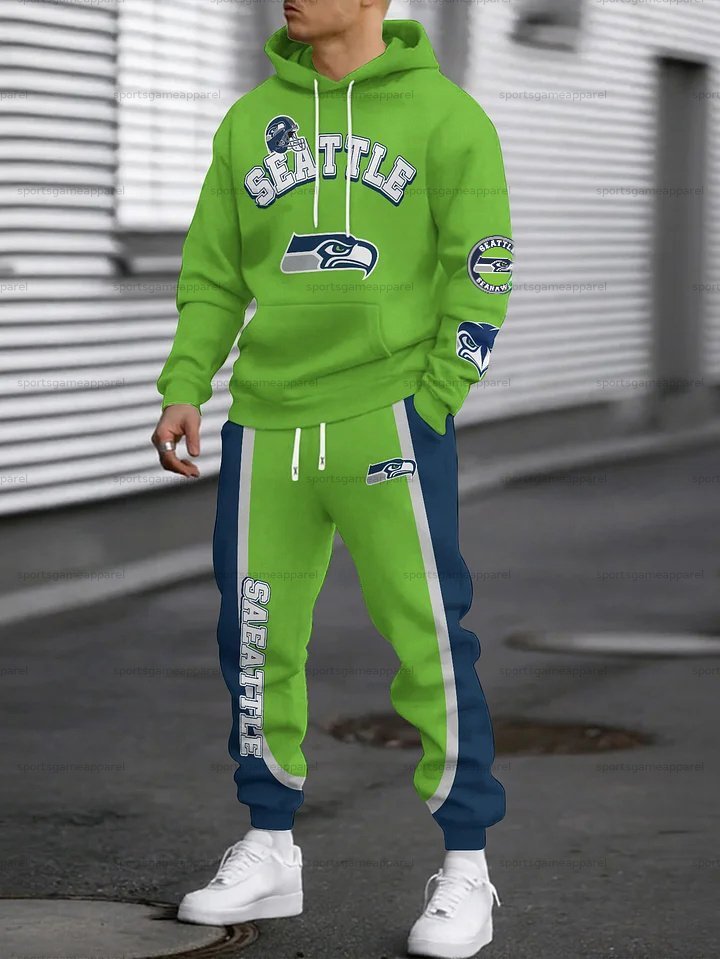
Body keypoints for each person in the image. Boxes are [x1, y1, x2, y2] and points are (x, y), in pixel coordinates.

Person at [152, 1, 512, 955]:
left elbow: (483, 267)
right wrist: (185, 385)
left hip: (389, 415)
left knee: (430, 638)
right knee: (255, 639)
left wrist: (436, 397)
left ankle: (467, 867)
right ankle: (270, 845)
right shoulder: (249, 121)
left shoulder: (447, 118)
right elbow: (214, 273)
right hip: (267, 424)